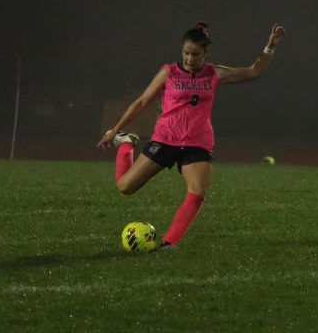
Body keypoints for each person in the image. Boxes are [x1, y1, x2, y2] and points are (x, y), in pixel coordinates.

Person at [97, 21, 285, 249]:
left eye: (195, 54)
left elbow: (255, 71)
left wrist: (270, 47)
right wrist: (115, 130)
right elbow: (142, 102)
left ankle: (169, 243)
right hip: (165, 138)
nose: (189, 59)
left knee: (197, 191)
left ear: (205, 53)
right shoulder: (169, 72)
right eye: (186, 53)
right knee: (125, 187)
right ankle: (126, 143)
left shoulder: (214, 73)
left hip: (198, 142)